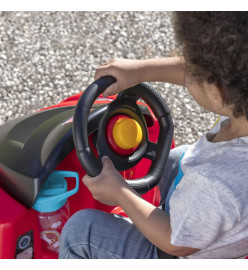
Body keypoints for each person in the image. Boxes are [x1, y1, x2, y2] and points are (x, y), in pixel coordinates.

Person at [59, 12, 248, 259]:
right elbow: (218, 70)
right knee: (178, 157)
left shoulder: (215, 182)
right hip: (218, 226)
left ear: (218, 91)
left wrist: (119, 192)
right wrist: (142, 70)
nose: (188, 69)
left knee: (80, 231)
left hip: (177, 251)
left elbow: (174, 242)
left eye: (195, 68)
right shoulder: (240, 106)